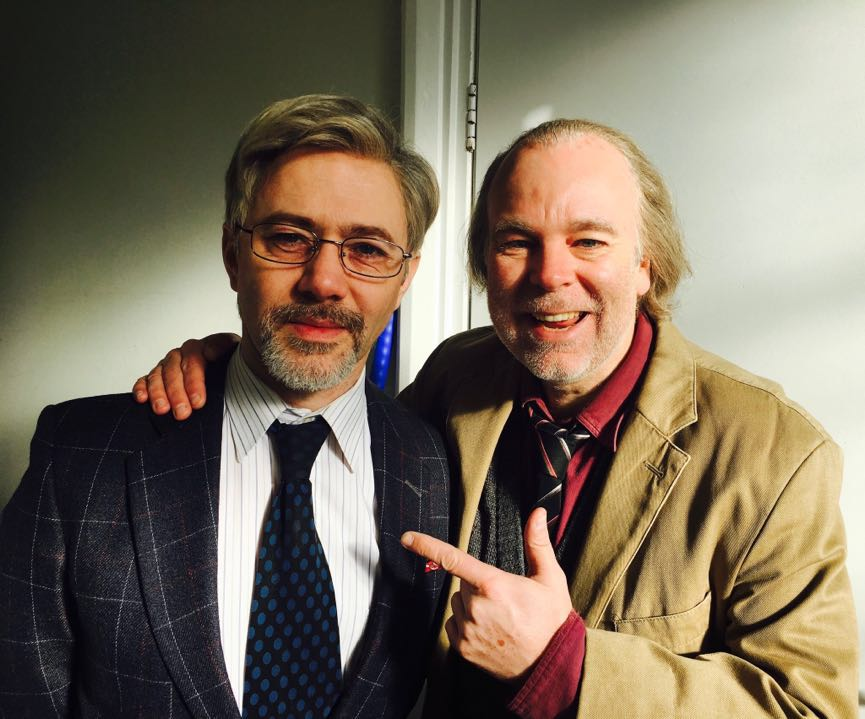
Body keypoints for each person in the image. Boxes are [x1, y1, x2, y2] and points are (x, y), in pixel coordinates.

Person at [133, 119, 859, 717]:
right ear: (484, 265)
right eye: (516, 241)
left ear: (646, 263)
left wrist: (567, 666)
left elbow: (813, 706)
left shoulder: (776, 452)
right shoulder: (456, 378)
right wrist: (234, 369)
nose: (550, 274)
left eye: (588, 240)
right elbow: (340, 433)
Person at [0, 94, 451, 719]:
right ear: (232, 254)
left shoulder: (435, 462)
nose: (324, 281)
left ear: (405, 278)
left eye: (368, 249)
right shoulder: (78, 455)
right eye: (287, 238)